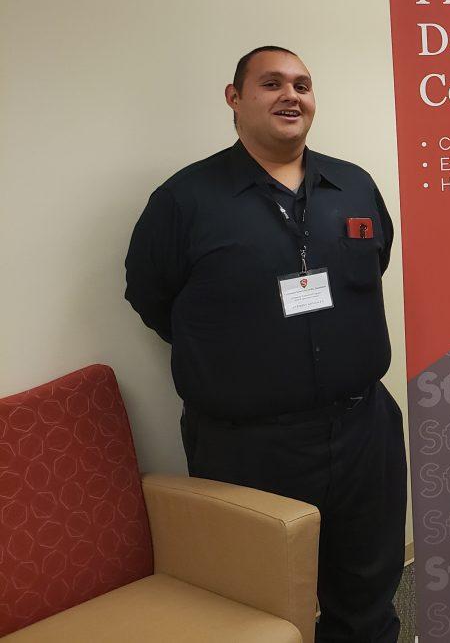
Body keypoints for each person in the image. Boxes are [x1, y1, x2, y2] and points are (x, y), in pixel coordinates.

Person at [125, 46, 407, 643]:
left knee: (367, 595)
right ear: (234, 98)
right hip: (248, 447)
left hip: (363, 432)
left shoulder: (353, 186)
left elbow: (375, 264)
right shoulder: (184, 201)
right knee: (258, 611)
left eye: (303, 84)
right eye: (271, 83)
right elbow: (153, 299)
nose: (291, 95)